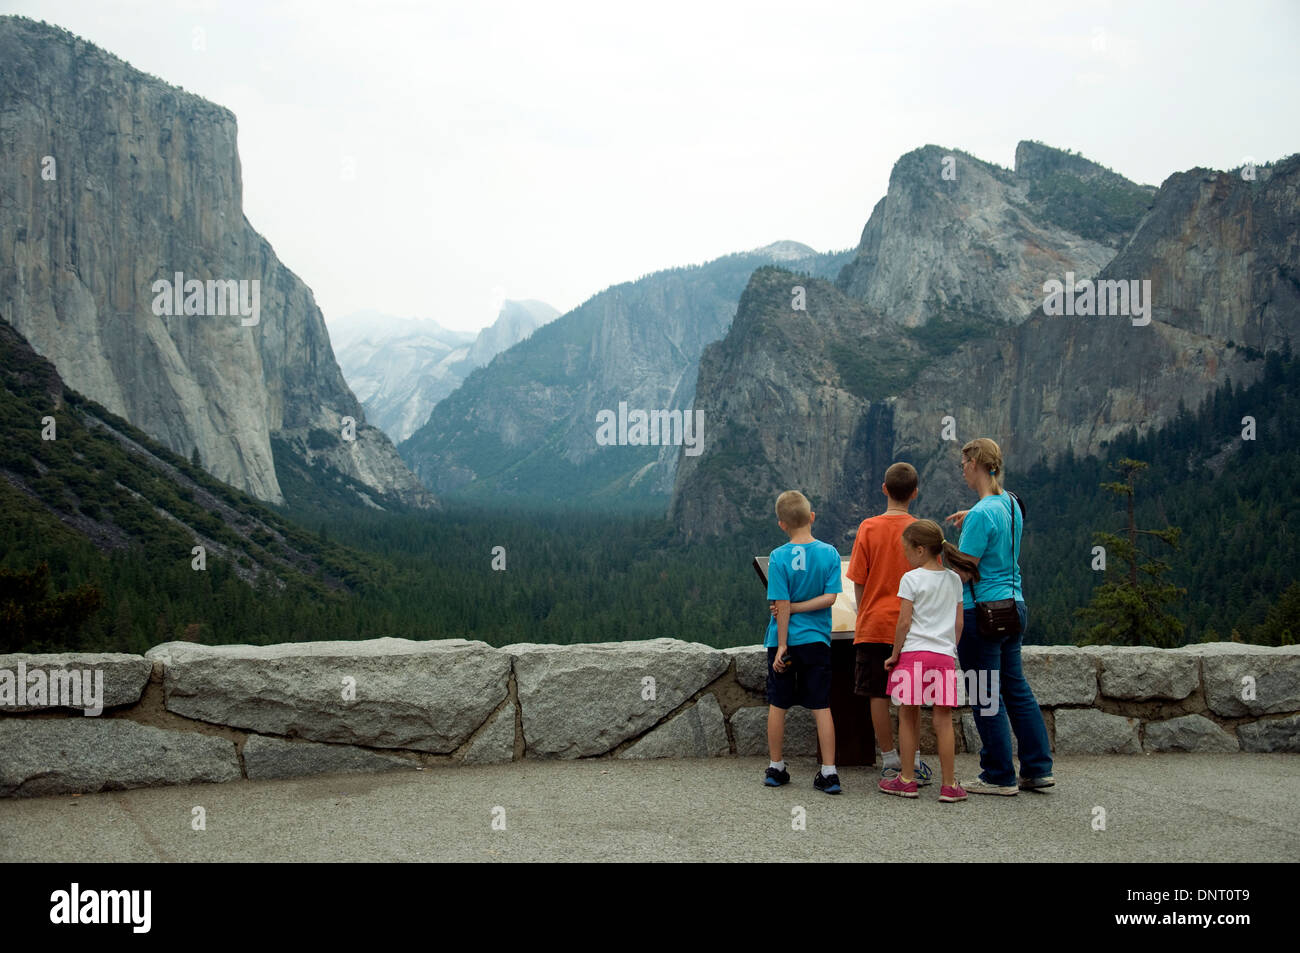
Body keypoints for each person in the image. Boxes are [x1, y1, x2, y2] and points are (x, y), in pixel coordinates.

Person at [945, 437, 1054, 795]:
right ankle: (1037, 768)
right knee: (1015, 688)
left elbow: (966, 571)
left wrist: (939, 551)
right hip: (1013, 607)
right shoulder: (1011, 504)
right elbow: (994, 525)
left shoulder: (980, 515)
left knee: (984, 693)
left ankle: (998, 774)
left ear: (975, 463)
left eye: (963, 464)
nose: (962, 470)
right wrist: (971, 517)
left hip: (982, 613)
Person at [846, 461, 934, 784]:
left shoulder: (868, 528)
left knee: (878, 694)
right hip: (912, 627)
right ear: (914, 493)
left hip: (873, 625)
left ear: (884, 489)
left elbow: (857, 578)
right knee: (911, 696)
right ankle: (916, 760)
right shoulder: (922, 531)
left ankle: (888, 759)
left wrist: (863, 610)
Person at [878, 520, 977, 802]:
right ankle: (949, 785)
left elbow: (904, 623)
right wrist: (949, 648)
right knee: (943, 720)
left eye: (907, 550)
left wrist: (895, 654)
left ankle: (907, 779)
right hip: (944, 656)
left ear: (920, 550)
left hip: (913, 654)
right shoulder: (954, 579)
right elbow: (959, 623)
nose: (906, 555)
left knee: (908, 717)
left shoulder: (911, 579)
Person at [762, 490, 843, 794]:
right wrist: (801, 606)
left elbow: (781, 604)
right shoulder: (830, 553)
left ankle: (776, 766)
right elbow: (831, 597)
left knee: (778, 703)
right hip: (817, 641)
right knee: (821, 705)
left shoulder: (779, 557)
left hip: (783, 639)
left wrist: (782, 644)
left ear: (781, 524)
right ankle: (829, 772)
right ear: (812, 517)